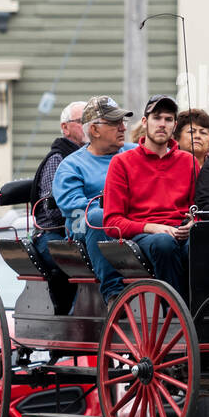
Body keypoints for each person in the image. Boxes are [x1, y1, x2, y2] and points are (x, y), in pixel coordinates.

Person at [103, 94, 198, 295]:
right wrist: (153, 228)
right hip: (145, 235)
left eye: (168, 119)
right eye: (157, 117)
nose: (162, 124)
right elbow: (112, 222)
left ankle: (204, 310)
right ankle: (174, 314)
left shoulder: (188, 161)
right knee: (164, 243)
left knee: (203, 242)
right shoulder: (122, 163)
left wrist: (193, 223)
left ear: (175, 125)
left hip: (181, 232)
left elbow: (198, 209)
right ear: (145, 122)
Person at [52, 96, 137, 305]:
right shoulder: (71, 166)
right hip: (85, 225)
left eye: (123, 122)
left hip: (133, 218)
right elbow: (75, 208)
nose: (122, 128)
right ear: (95, 130)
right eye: (115, 123)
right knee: (99, 216)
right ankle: (114, 293)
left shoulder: (135, 152)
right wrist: (115, 210)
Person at [29, 100, 86, 265]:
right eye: (82, 121)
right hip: (53, 233)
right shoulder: (57, 159)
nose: (88, 126)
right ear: (65, 128)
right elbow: (52, 211)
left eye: (91, 121)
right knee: (77, 262)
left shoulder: (94, 156)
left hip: (81, 227)